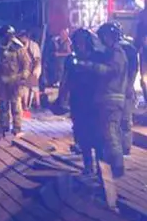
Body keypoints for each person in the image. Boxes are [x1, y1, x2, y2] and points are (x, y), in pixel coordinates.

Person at [76, 22, 128, 178]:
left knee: (110, 133)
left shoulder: (117, 53)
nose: (102, 40)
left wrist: (89, 65)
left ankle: (117, 168)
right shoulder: (112, 52)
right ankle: (112, 167)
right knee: (107, 133)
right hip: (108, 99)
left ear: (110, 36)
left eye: (104, 36)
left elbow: (111, 71)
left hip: (112, 98)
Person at [57, 28, 102, 174]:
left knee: (97, 135)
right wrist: (61, 98)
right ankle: (88, 166)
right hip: (77, 102)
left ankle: (101, 167)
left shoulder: (97, 57)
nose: (79, 45)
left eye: (82, 43)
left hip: (95, 102)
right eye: (77, 43)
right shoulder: (71, 60)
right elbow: (66, 80)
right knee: (82, 135)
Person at [0, 25, 31, 137]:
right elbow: (1, 64)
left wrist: (19, 78)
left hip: (15, 82)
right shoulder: (3, 48)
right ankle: (4, 126)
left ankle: (17, 128)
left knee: (15, 105)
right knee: (2, 104)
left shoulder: (19, 48)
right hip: (3, 81)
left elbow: (26, 66)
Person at [114, 23, 138, 156]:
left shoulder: (116, 48)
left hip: (117, 90)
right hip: (122, 89)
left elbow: (133, 69)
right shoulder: (130, 48)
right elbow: (134, 69)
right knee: (125, 119)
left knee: (119, 120)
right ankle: (124, 147)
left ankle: (122, 147)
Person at [18, 31, 43, 110]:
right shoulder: (22, 46)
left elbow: (37, 59)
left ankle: (35, 104)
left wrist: (35, 69)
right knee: (26, 86)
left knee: (34, 87)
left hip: (34, 67)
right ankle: (25, 105)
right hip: (27, 68)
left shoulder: (34, 45)